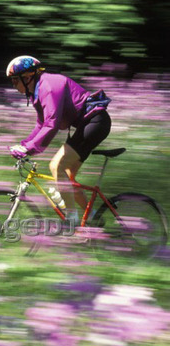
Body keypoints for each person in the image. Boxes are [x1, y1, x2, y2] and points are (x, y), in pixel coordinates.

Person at [7, 55, 111, 224]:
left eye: (14, 81)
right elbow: (41, 124)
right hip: (90, 124)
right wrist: (25, 145)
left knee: (56, 166)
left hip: (95, 122)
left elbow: (51, 124)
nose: (13, 86)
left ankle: (72, 219)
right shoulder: (38, 90)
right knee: (68, 178)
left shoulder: (48, 87)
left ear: (27, 78)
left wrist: (29, 149)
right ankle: (92, 220)